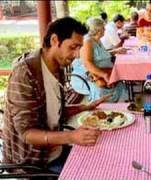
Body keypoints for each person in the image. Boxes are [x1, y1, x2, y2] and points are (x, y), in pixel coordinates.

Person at [3, 17, 108, 173]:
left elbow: (54, 111)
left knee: (103, 159)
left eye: (79, 48)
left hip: (55, 150)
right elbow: (27, 133)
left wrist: (85, 107)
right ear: (54, 40)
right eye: (73, 47)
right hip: (33, 162)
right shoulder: (25, 73)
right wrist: (71, 136)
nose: (77, 55)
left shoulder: (57, 67)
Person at [71, 17, 124, 102]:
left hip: (102, 73)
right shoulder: (87, 41)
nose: (105, 29)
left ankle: (115, 107)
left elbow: (101, 54)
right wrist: (104, 74)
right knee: (113, 83)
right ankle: (105, 108)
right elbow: (87, 63)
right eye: (103, 28)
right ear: (98, 30)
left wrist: (115, 51)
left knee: (119, 81)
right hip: (89, 76)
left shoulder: (96, 40)